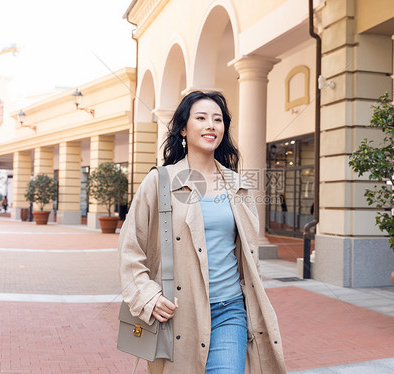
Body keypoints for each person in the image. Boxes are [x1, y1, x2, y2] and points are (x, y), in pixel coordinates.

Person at [119, 91, 286, 373]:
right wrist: (147, 296)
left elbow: (247, 253)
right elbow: (130, 248)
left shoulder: (239, 186)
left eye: (218, 119)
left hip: (230, 311)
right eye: (201, 118)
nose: (211, 125)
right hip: (178, 313)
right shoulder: (160, 182)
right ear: (183, 128)